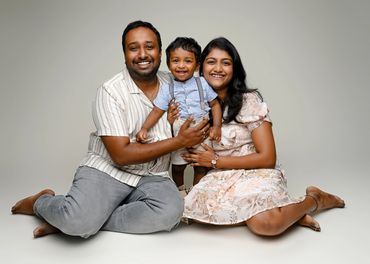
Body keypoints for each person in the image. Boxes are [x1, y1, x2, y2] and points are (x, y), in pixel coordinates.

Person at [10, 20, 209, 238]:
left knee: (171, 212)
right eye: (134, 48)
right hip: (108, 170)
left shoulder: (176, 83)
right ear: (124, 54)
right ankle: (41, 203)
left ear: (161, 53)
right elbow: (120, 155)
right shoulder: (110, 91)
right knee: (78, 221)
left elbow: (208, 97)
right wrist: (180, 142)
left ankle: (82, 220)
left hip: (153, 175)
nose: (143, 54)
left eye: (149, 47)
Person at [181, 37, 345, 236]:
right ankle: (291, 215)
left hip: (256, 171)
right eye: (211, 61)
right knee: (196, 214)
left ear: (235, 69)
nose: (218, 68)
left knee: (265, 225)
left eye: (226, 62)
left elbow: (268, 158)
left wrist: (215, 160)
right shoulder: (193, 106)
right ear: (201, 67)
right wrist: (199, 186)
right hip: (219, 176)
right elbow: (200, 161)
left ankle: (314, 200)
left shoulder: (249, 100)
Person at [136, 37, 222, 191]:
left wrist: (216, 126)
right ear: (168, 65)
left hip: (202, 131)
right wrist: (144, 128)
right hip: (179, 134)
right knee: (177, 168)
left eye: (188, 61)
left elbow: (215, 104)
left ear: (197, 65)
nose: (181, 65)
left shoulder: (202, 83)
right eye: (176, 61)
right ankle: (181, 192)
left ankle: (196, 194)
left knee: (201, 167)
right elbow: (157, 110)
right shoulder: (167, 88)